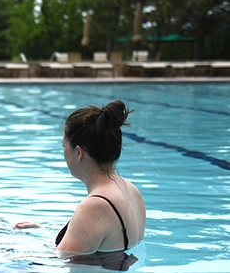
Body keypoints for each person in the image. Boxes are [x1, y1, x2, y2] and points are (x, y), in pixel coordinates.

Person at [15, 100, 146, 256]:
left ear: (79, 152)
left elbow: (62, 263)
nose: (63, 152)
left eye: (64, 146)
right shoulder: (130, 189)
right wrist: (43, 232)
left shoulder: (95, 206)